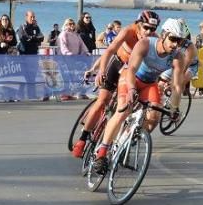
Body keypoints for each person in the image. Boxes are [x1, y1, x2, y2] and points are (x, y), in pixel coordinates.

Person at [91, 18, 187, 175]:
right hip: (131, 78)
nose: (176, 44)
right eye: (173, 39)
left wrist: (174, 108)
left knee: (154, 118)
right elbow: (131, 69)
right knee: (123, 110)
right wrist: (130, 89)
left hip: (150, 84)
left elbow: (177, 86)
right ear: (163, 35)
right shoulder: (145, 44)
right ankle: (102, 152)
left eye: (180, 41)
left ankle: (126, 141)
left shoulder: (178, 57)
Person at [72, 10, 159, 157]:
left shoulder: (153, 39)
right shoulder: (127, 32)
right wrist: (101, 71)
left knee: (127, 108)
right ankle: (83, 139)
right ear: (138, 24)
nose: (149, 32)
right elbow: (110, 50)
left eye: (153, 29)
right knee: (102, 100)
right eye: (146, 28)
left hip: (133, 72)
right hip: (118, 64)